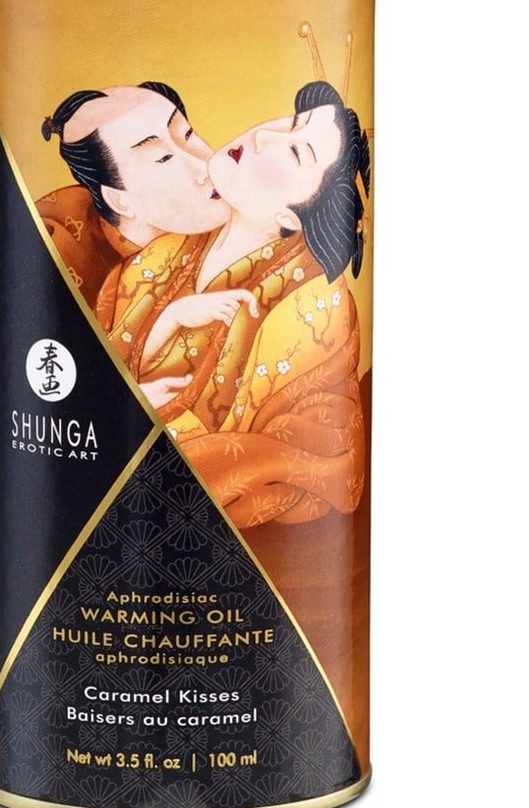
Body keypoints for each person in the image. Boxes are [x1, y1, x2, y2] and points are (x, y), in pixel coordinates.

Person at [97, 80, 371, 529]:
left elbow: (252, 447)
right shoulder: (165, 252)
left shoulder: (313, 307)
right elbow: (98, 367)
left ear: (291, 216)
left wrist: (127, 415)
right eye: (291, 122)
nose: (264, 135)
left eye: (296, 151)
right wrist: (170, 321)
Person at [37, 82, 229, 310]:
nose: (204, 166)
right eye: (163, 157)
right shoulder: (60, 251)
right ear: (119, 200)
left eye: (187, 135)